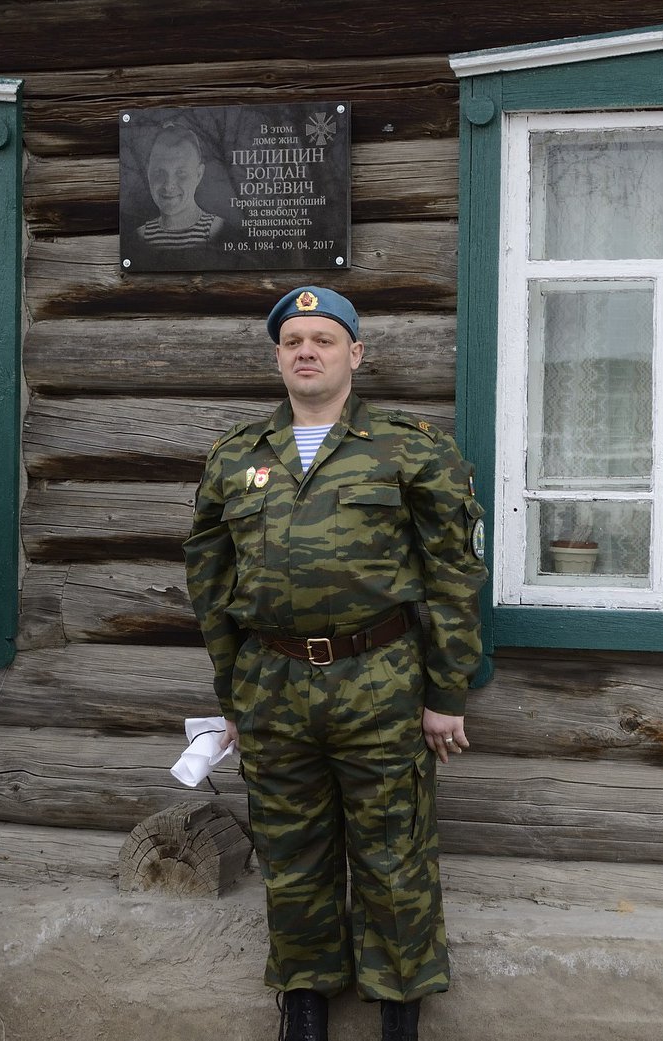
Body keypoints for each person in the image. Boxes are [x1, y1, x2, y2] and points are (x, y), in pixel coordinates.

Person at [184, 286, 488, 1041]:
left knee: (394, 851)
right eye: (293, 341)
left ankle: (398, 1015)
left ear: (357, 353)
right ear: (278, 357)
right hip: (272, 683)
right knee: (292, 854)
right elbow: (210, 583)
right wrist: (234, 697)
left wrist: (446, 690)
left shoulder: (411, 447)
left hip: (379, 675)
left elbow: (453, 574)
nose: (307, 351)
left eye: (323, 338)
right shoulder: (237, 456)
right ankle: (306, 1007)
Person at [136, 123, 225, 250]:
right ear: (148, 172)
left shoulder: (219, 230)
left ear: (198, 175)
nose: (168, 185)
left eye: (181, 173)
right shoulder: (138, 236)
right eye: (159, 172)